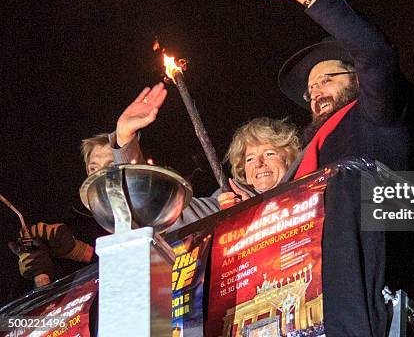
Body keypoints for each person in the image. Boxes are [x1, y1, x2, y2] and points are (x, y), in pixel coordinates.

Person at [254, 0, 414, 336]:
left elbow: (377, 56)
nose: (315, 94)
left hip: (376, 300)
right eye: (310, 91)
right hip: (308, 306)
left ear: (355, 79)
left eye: (326, 80)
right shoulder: (307, 154)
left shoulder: (376, 116)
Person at [109, 84, 300, 229]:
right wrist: (125, 138)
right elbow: (153, 207)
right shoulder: (224, 204)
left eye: (269, 153)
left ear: (289, 157)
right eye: (249, 158)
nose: (258, 164)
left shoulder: (310, 182)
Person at [9, 133, 113, 287]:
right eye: (93, 168)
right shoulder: (70, 228)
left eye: (111, 166)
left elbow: (136, 268)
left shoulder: (147, 218)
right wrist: (39, 270)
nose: (100, 174)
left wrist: (84, 252)